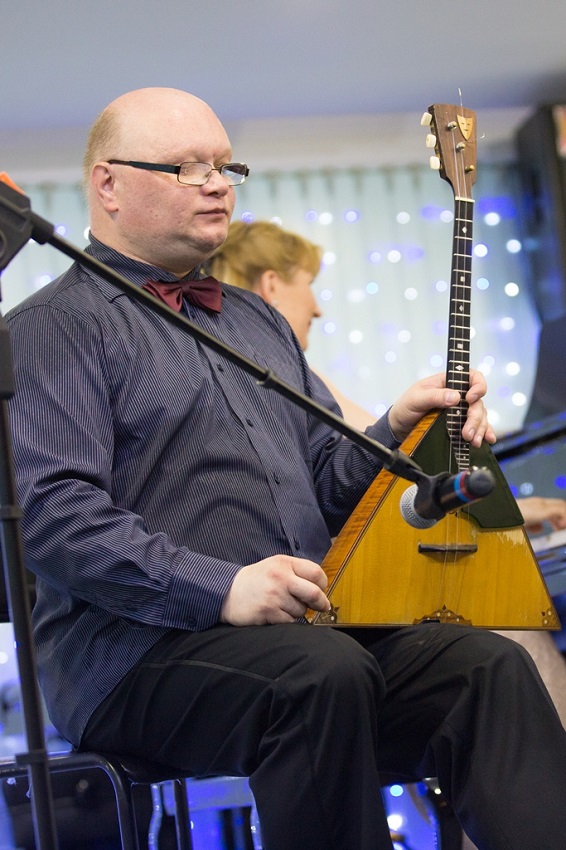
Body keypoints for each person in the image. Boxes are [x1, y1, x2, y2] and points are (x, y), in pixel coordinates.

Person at [6, 87, 566, 850]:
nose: (217, 184)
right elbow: (55, 518)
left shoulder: (256, 319)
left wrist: (397, 430)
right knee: (320, 673)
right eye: (187, 167)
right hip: (133, 657)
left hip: (305, 643)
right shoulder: (53, 327)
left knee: (486, 665)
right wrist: (223, 587)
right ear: (108, 185)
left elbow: (327, 481)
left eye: (224, 166)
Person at [210, 219, 566, 732]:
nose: (317, 307)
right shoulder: (280, 376)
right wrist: (510, 512)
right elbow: (374, 479)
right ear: (271, 284)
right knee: (507, 628)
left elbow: (380, 464)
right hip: (335, 596)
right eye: (309, 283)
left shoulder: (273, 372)